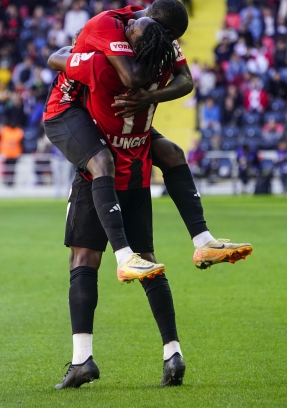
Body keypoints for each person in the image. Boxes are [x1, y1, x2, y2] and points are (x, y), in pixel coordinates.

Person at [44, 0, 252, 279]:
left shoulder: (153, 33)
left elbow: (187, 80)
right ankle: (124, 256)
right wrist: (150, 85)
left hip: (110, 105)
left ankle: (203, 241)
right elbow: (129, 77)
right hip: (74, 108)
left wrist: (152, 95)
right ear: (158, 29)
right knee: (102, 161)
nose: (170, 46)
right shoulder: (109, 29)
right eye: (167, 39)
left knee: (172, 153)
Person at [48, 27, 187, 389]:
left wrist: (80, 50)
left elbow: (58, 60)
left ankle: (82, 360)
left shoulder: (100, 67)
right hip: (137, 164)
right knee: (149, 261)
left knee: (83, 260)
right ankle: (173, 352)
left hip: (100, 174)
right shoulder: (158, 70)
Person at [0, 119, 24, 186]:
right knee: (7, 168)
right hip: (6, 153)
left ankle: (11, 182)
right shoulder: (4, 130)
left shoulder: (19, 131)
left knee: (13, 169)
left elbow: (21, 143)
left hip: (15, 154)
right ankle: (6, 181)